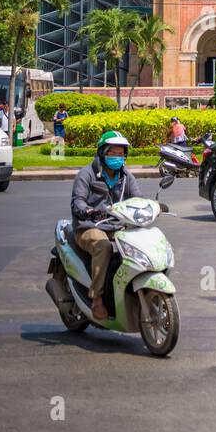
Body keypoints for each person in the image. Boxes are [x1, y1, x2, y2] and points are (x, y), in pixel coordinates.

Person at [70, 131, 143, 321]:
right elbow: (77, 202)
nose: (117, 158)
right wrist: (88, 211)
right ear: (103, 153)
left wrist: (150, 207)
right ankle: (97, 298)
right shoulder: (86, 174)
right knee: (103, 247)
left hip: (116, 227)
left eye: (121, 154)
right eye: (113, 154)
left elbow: (137, 198)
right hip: (90, 227)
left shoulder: (126, 176)